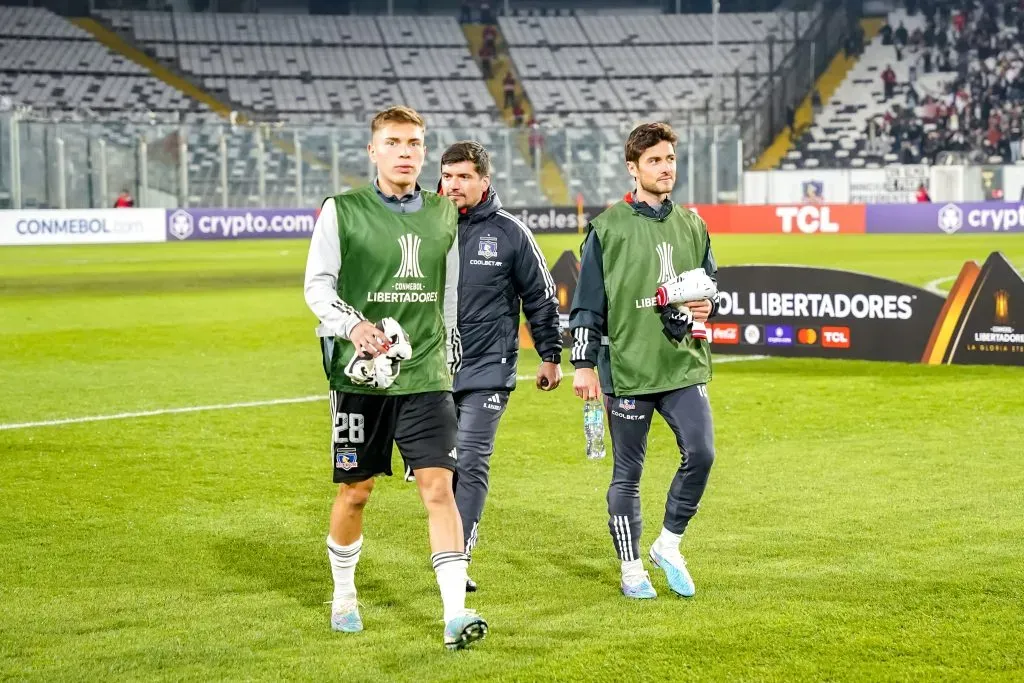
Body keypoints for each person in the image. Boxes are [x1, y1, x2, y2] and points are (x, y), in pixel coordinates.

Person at [303, 105, 487, 650]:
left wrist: (450, 351)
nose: (405, 152)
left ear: (423, 152)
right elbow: (317, 285)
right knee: (356, 492)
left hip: (426, 372)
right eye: (394, 142)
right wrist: (352, 325)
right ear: (373, 150)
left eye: (414, 143)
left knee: (439, 488)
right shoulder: (342, 210)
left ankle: (455, 614)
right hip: (361, 379)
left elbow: (449, 291)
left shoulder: (441, 213)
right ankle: (343, 596)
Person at [569, 122, 719, 600]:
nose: (665, 168)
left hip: (682, 362)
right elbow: (587, 304)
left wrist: (708, 305)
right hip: (628, 368)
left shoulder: (693, 223)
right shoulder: (607, 227)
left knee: (702, 454)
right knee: (627, 474)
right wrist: (584, 364)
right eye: (654, 161)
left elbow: (710, 284)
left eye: (670, 159)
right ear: (633, 168)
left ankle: (668, 545)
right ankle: (631, 567)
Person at [438, 140, 562, 592]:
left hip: (489, 366)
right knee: (440, 470)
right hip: (433, 370)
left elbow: (541, 296)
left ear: (484, 181)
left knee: (470, 461)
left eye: (464, 177)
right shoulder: (429, 228)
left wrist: (550, 355)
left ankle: (457, 560)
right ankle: (448, 547)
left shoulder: (510, 232)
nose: (454, 185)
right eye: (448, 176)